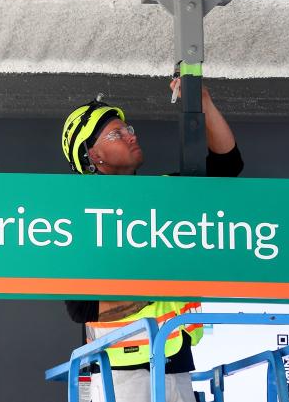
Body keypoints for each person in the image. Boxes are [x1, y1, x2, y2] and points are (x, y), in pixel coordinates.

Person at [60, 79, 243, 402]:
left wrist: (204, 104)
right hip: (121, 375)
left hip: (176, 365)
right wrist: (158, 287)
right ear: (93, 156)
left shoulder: (164, 194)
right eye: (117, 134)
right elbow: (82, 308)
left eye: (128, 128)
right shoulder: (78, 217)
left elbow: (227, 167)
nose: (131, 135)